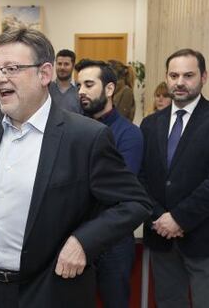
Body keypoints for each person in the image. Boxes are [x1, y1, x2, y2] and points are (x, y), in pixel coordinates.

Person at [0, 28, 152, 308]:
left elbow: (135, 202)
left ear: (44, 74)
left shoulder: (85, 137)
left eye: (11, 68)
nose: (0, 78)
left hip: (50, 290)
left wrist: (84, 241)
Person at [140, 48, 209, 308]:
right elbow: (141, 178)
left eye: (188, 75)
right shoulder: (150, 123)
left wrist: (179, 218)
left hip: (205, 239)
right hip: (161, 238)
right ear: (166, 77)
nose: (179, 82)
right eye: (174, 75)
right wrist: (158, 217)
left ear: (204, 77)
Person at [75, 59, 143, 308]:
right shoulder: (72, 129)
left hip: (113, 242)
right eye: (78, 85)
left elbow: (118, 192)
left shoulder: (129, 134)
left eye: (89, 84)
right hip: (74, 237)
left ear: (110, 89)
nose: (81, 90)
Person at [48, 49, 81, 113]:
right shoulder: (46, 88)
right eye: (59, 64)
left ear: (73, 66)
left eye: (66, 64)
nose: (62, 67)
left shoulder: (80, 89)